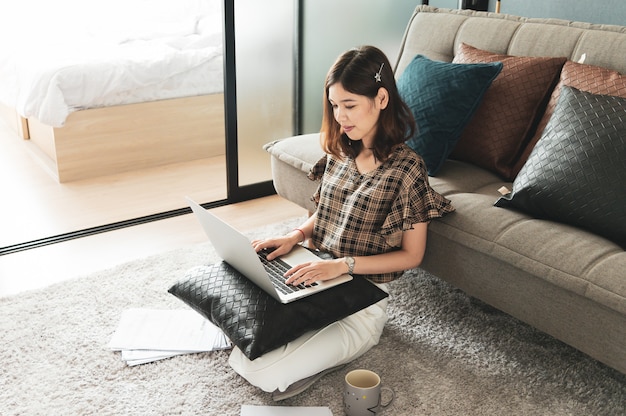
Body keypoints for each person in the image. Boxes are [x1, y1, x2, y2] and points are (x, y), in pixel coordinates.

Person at [228, 45, 454, 400]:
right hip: (315, 279)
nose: (340, 116)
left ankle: (320, 355)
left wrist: (342, 266)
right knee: (236, 317)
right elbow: (330, 212)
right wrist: (295, 236)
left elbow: (412, 256)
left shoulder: (407, 169)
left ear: (381, 98)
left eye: (349, 105)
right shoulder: (343, 150)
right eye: (335, 105)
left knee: (257, 368)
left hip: (359, 304)